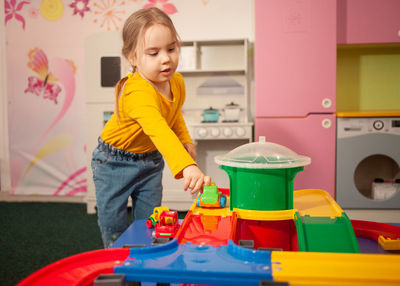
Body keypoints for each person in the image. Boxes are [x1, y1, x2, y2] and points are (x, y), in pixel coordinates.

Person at [91, 7, 211, 248]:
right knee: (113, 224)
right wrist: (187, 167)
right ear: (133, 57)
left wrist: (185, 140)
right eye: (153, 53)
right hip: (114, 162)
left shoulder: (175, 81)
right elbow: (159, 130)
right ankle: (117, 263)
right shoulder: (136, 91)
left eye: (171, 49)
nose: (165, 58)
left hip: (150, 161)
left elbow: (173, 115)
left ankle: (146, 263)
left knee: (150, 222)